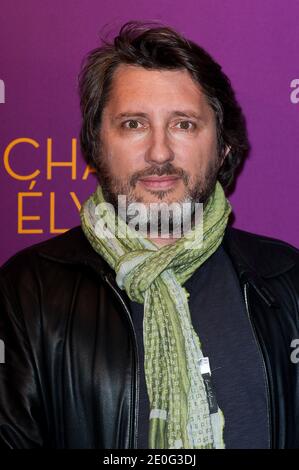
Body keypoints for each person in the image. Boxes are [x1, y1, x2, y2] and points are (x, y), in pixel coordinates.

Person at [0, 20, 298, 450]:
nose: (159, 153)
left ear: (224, 148)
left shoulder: (287, 281)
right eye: (134, 124)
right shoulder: (25, 291)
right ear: (96, 145)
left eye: (184, 125)